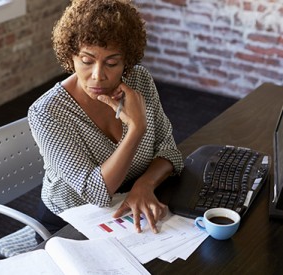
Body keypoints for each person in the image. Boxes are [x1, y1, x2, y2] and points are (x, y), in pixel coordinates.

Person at [28, 0, 184, 237]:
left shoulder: (139, 81)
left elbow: (169, 149)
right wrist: (136, 128)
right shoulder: (47, 113)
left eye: (111, 63)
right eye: (87, 61)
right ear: (71, 57)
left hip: (132, 199)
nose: (98, 75)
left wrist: (145, 184)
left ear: (126, 62)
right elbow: (97, 192)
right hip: (71, 221)